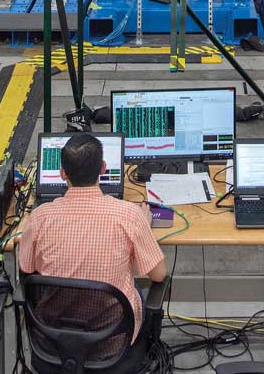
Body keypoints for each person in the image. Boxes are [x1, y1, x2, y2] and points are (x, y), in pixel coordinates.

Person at [18, 133, 166, 337]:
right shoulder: (129, 215)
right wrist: (144, 225)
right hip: (113, 345)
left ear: (62, 173)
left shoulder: (39, 217)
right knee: (132, 288)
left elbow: (26, 267)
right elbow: (158, 275)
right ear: (103, 168)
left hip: (55, 342)